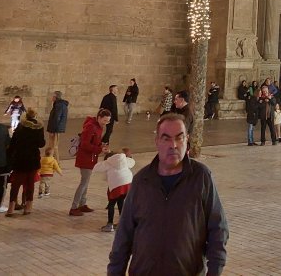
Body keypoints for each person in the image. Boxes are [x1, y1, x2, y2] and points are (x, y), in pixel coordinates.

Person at [108, 114, 228, 275]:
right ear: (157, 141)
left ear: (187, 140)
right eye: (166, 139)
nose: (173, 145)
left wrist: (214, 271)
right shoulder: (141, 181)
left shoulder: (201, 177)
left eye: (180, 138)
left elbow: (218, 229)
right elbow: (124, 236)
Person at [70, 108, 111, 217]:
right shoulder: (90, 127)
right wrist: (99, 149)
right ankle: (74, 207)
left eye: (108, 121)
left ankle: (82, 204)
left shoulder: (99, 127)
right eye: (105, 120)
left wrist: (101, 146)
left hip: (91, 158)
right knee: (84, 183)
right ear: (99, 117)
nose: (106, 123)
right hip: (85, 158)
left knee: (86, 182)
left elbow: (95, 142)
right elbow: (84, 144)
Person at [6, 108, 45, 217]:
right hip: (32, 159)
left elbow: (13, 143)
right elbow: (41, 143)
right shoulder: (38, 128)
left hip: (20, 159)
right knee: (30, 184)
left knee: (16, 184)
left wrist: (9, 156)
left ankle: (11, 209)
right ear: (35, 116)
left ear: (26, 116)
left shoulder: (20, 127)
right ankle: (28, 207)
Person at [94, 149, 135, 233]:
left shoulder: (108, 163)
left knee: (111, 204)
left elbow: (96, 167)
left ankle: (110, 225)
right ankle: (122, 223)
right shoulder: (124, 160)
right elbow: (132, 162)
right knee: (121, 201)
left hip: (117, 185)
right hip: (128, 183)